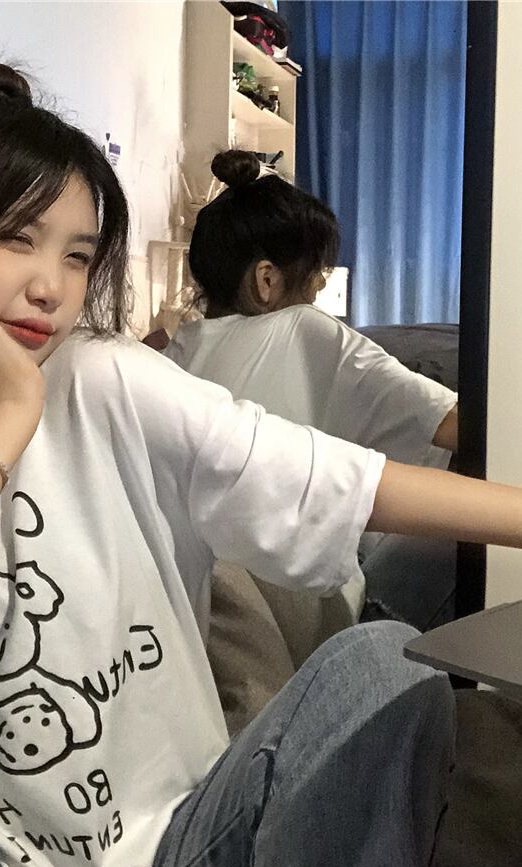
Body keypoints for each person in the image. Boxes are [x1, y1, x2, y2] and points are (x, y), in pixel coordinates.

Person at [0, 62, 522, 867]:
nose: (50, 287)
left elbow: (338, 480)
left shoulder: (110, 380)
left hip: (183, 858)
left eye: (77, 256)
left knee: (387, 661)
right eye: (14, 238)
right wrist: (8, 418)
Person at [163, 150, 459, 661]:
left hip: (199, 615)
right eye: (316, 271)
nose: (322, 284)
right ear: (267, 281)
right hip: (311, 626)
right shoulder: (306, 331)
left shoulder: (176, 350)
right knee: (456, 539)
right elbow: (461, 427)